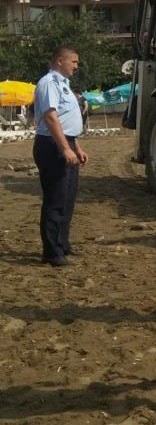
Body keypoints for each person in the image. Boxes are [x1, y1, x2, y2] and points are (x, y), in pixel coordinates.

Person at [32, 46, 89, 267]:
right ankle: (52, 251)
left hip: (67, 142)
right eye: (73, 62)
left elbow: (67, 121)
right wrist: (65, 148)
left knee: (67, 198)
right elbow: (51, 117)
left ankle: (62, 243)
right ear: (59, 61)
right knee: (55, 199)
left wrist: (77, 147)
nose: (76, 66)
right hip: (52, 146)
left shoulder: (64, 84)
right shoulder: (49, 83)